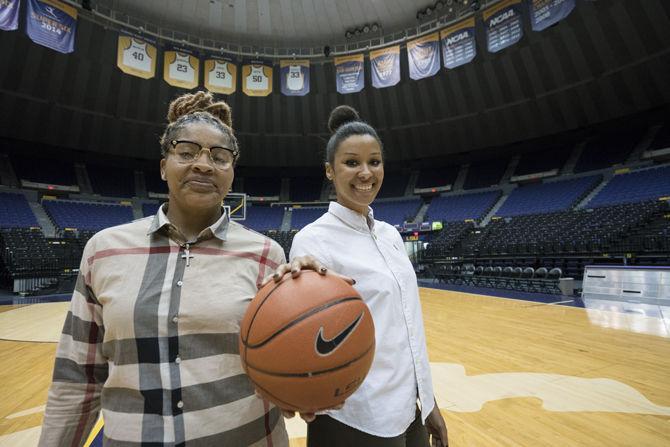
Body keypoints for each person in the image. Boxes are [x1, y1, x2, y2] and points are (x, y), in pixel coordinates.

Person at [37, 91, 332, 447]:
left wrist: (313, 300)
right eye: (187, 152)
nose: (204, 165)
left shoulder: (266, 254)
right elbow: (77, 378)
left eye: (219, 156)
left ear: (231, 172)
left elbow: (289, 356)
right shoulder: (104, 249)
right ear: (164, 165)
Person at [287, 105, 449, 447]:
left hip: (408, 409)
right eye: (351, 162)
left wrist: (429, 400)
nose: (365, 172)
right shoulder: (313, 241)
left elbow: (407, 328)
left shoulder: (390, 234)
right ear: (330, 171)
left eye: (374, 161)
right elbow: (304, 336)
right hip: (355, 415)